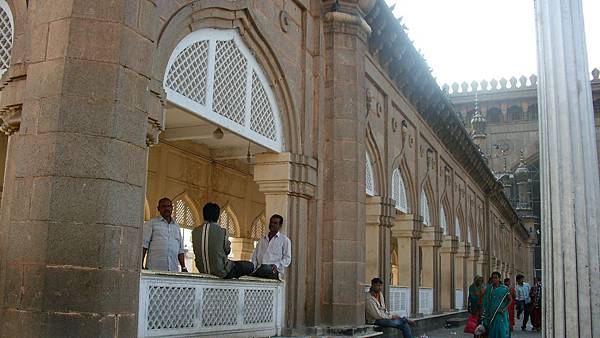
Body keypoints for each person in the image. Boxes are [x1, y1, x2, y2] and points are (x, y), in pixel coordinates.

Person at [192, 203, 254, 278]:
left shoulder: (195, 232)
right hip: (221, 271)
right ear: (217, 216)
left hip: (202, 269)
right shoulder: (222, 231)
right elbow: (227, 250)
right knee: (250, 266)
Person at [142, 198, 187, 272]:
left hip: (173, 270)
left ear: (172, 208)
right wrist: (141, 266)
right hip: (154, 269)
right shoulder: (151, 224)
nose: (167, 208)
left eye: (169, 206)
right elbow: (144, 245)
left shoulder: (176, 226)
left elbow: (180, 250)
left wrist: (183, 267)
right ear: (158, 208)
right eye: (163, 206)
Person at [250, 214, 292, 280]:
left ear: (280, 226)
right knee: (245, 267)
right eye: (271, 222)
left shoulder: (284, 240)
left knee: (265, 268)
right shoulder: (261, 240)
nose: (272, 224)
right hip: (259, 270)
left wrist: (276, 265)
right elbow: (254, 257)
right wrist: (251, 268)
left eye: (275, 223)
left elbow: (287, 259)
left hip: (274, 272)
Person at [480, 271, 511, 338]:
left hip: (500, 313)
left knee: (501, 330)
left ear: (499, 278)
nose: (494, 279)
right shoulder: (489, 289)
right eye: (493, 278)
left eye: (496, 278)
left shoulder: (504, 289)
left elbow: (510, 300)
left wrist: (504, 309)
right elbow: (485, 301)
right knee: (492, 330)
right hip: (490, 313)